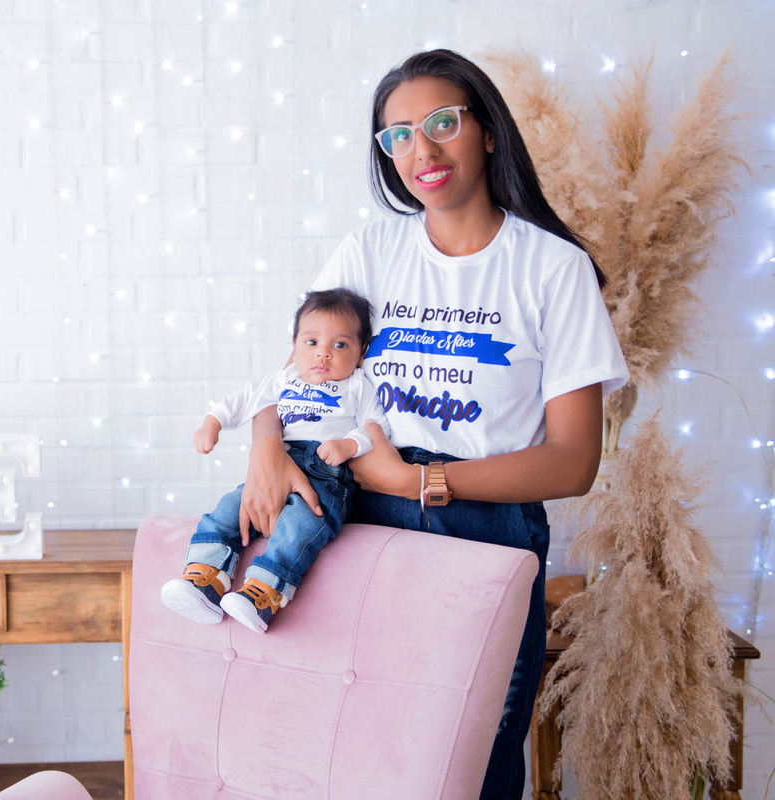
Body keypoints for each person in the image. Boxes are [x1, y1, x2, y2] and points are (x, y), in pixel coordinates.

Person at [238, 50, 629, 799]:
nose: (423, 149)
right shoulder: (370, 251)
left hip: (486, 533)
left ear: (486, 131)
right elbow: (298, 373)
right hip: (356, 519)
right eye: (399, 135)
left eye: (442, 123)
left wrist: (423, 480)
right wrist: (264, 444)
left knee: (470, 763)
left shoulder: (552, 268)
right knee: (352, 754)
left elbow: (574, 461)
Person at [161, 289, 390, 634]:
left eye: (340, 345)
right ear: (295, 345)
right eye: (311, 342)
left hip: (325, 475)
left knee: (299, 528)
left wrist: (348, 444)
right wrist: (213, 423)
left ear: (361, 354)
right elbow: (241, 401)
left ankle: (263, 595)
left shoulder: (357, 385)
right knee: (228, 509)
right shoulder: (284, 380)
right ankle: (203, 580)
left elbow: (377, 427)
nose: (323, 353)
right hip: (279, 461)